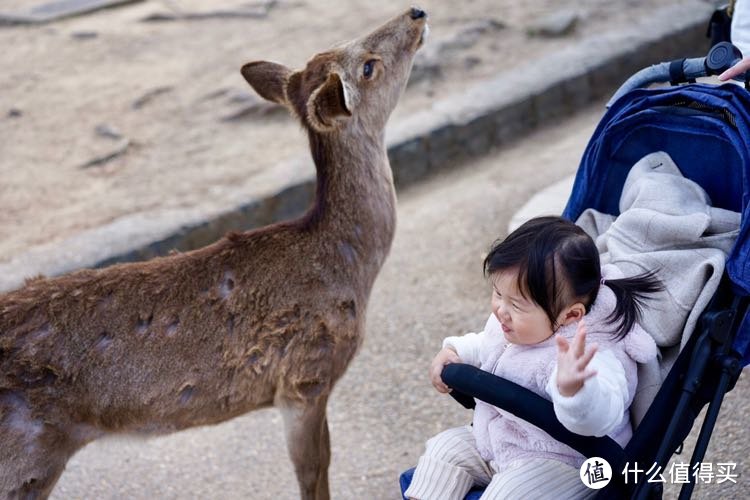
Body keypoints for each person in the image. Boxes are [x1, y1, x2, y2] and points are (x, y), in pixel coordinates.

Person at [404, 216, 663, 500]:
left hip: (567, 464)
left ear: (570, 315)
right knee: (443, 451)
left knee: (507, 494)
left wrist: (576, 390)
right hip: (501, 442)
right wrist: (455, 351)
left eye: (515, 304)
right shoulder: (517, 324)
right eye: (497, 293)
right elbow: (485, 343)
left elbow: (602, 415)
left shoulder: (588, 353)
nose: (501, 310)